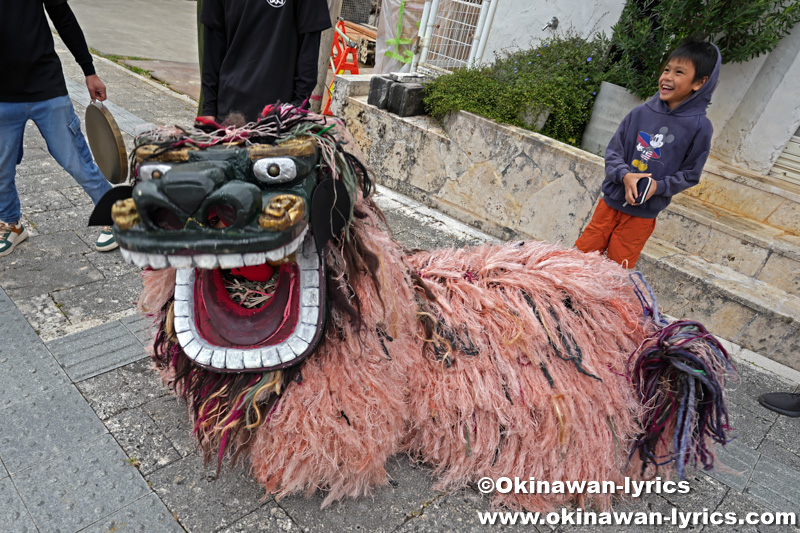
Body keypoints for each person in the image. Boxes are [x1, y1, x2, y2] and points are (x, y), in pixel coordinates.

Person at [575, 41, 721, 268]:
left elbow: (690, 174)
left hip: (642, 215)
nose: (668, 77)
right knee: (581, 257)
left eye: (679, 72)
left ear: (700, 83)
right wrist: (624, 175)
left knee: (616, 268)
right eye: (666, 70)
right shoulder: (640, 113)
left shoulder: (700, 127)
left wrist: (658, 187)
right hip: (610, 204)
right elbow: (614, 152)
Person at [0, 0, 117, 257]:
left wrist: (89, 71)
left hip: (46, 86)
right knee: (1, 168)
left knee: (76, 160)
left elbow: (63, 17)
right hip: (3, 98)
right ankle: (12, 224)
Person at [199, 0, 332, 124]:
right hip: (229, 117)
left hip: (280, 120)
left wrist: (295, 108)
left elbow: (308, 52)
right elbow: (212, 48)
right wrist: (209, 109)